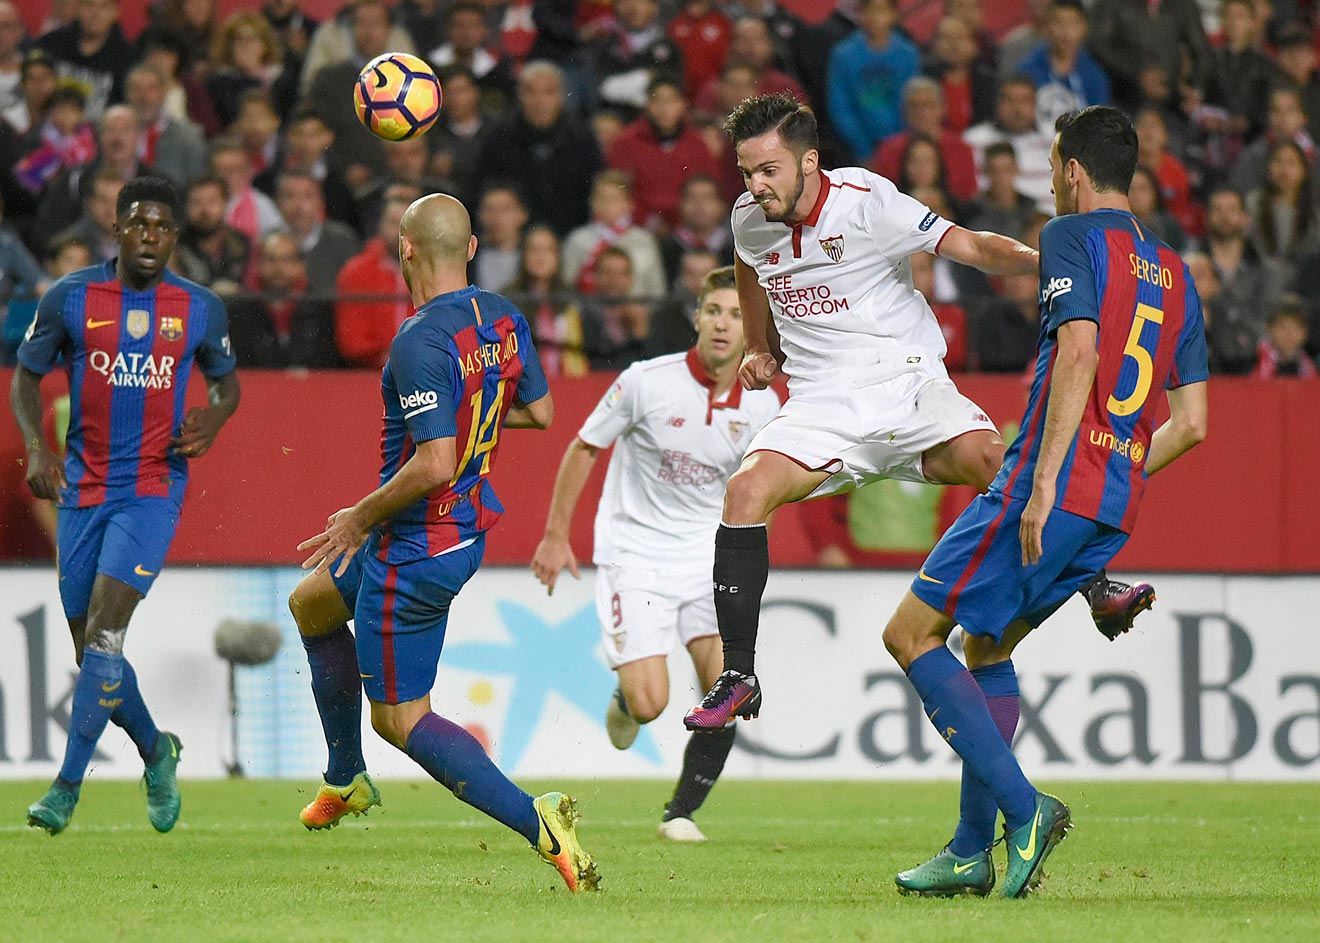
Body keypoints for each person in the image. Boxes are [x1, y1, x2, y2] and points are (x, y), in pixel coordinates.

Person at [682, 95, 1156, 732]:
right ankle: (739, 675)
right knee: (744, 494)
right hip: (824, 403)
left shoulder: (867, 201)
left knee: (1000, 464)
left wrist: (1051, 267)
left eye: (768, 170)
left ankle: (1095, 581)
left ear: (810, 162)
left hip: (907, 388)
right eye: (746, 172)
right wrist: (761, 345)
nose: (755, 185)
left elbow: (970, 247)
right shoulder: (750, 218)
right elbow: (747, 262)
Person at [883, 106, 1208, 899]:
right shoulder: (1176, 267)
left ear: (1070, 169)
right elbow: (1193, 424)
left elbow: (1081, 350)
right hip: (1113, 505)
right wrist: (1112, 476)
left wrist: (1046, 483)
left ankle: (1025, 811)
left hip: (1050, 482)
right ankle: (967, 850)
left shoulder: (1071, 237)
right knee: (986, 647)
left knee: (910, 634)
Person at [287, 192, 599, 893]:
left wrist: (358, 516)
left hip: (415, 546)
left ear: (404, 251)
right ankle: (345, 774)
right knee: (311, 604)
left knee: (402, 719)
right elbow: (543, 410)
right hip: (451, 529)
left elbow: (433, 463)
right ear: (468, 248)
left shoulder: (419, 339)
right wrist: (473, 416)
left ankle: (537, 819)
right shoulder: (506, 318)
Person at [11, 174, 241, 834]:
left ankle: (66, 786)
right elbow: (27, 375)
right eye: (138, 223)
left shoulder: (199, 308)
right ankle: (157, 748)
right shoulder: (71, 297)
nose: (150, 236)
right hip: (81, 491)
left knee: (107, 636)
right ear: (115, 229)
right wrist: (36, 447)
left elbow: (229, 387)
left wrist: (215, 419)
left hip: (151, 490)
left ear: (175, 235)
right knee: (94, 655)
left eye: (163, 227)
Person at [532, 266, 779, 842]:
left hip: (708, 560)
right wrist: (554, 534)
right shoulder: (646, 381)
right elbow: (584, 447)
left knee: (729, 684)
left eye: (737, 315)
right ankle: (625, 698)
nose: (722, 324)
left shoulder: (765, 407)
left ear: (753, 330)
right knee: (650, 705)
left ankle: (680, 813)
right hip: (634, 555)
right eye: (714, 311)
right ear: (696, 317)